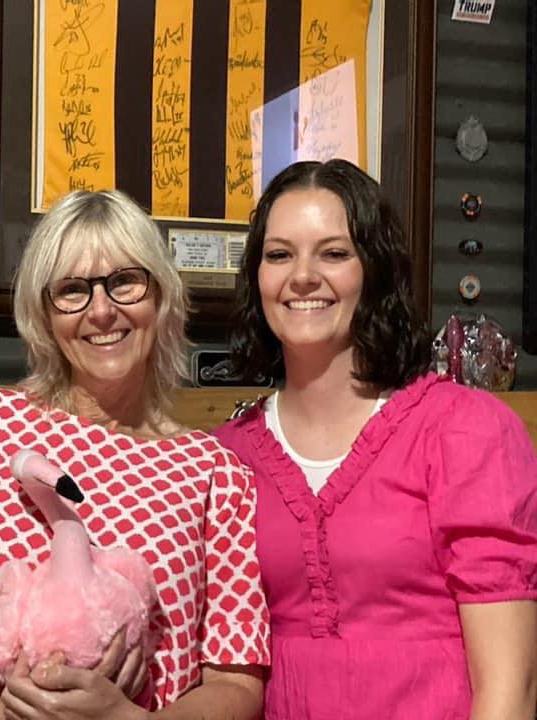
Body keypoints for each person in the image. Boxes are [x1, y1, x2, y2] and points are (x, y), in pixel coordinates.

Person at [0, 189, 270, 719]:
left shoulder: (216, 473)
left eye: (124, 282)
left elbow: (236, 684)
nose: (101, 311)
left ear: (160, 296)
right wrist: (7, 712)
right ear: (44, 314)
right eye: (72, 290)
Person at [214, 158, 537, 719]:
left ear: (376, 271)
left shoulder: (466, 431)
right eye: (279, 254)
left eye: (334, 253)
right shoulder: (226, 454)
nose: (303, 276)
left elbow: (511, 689)